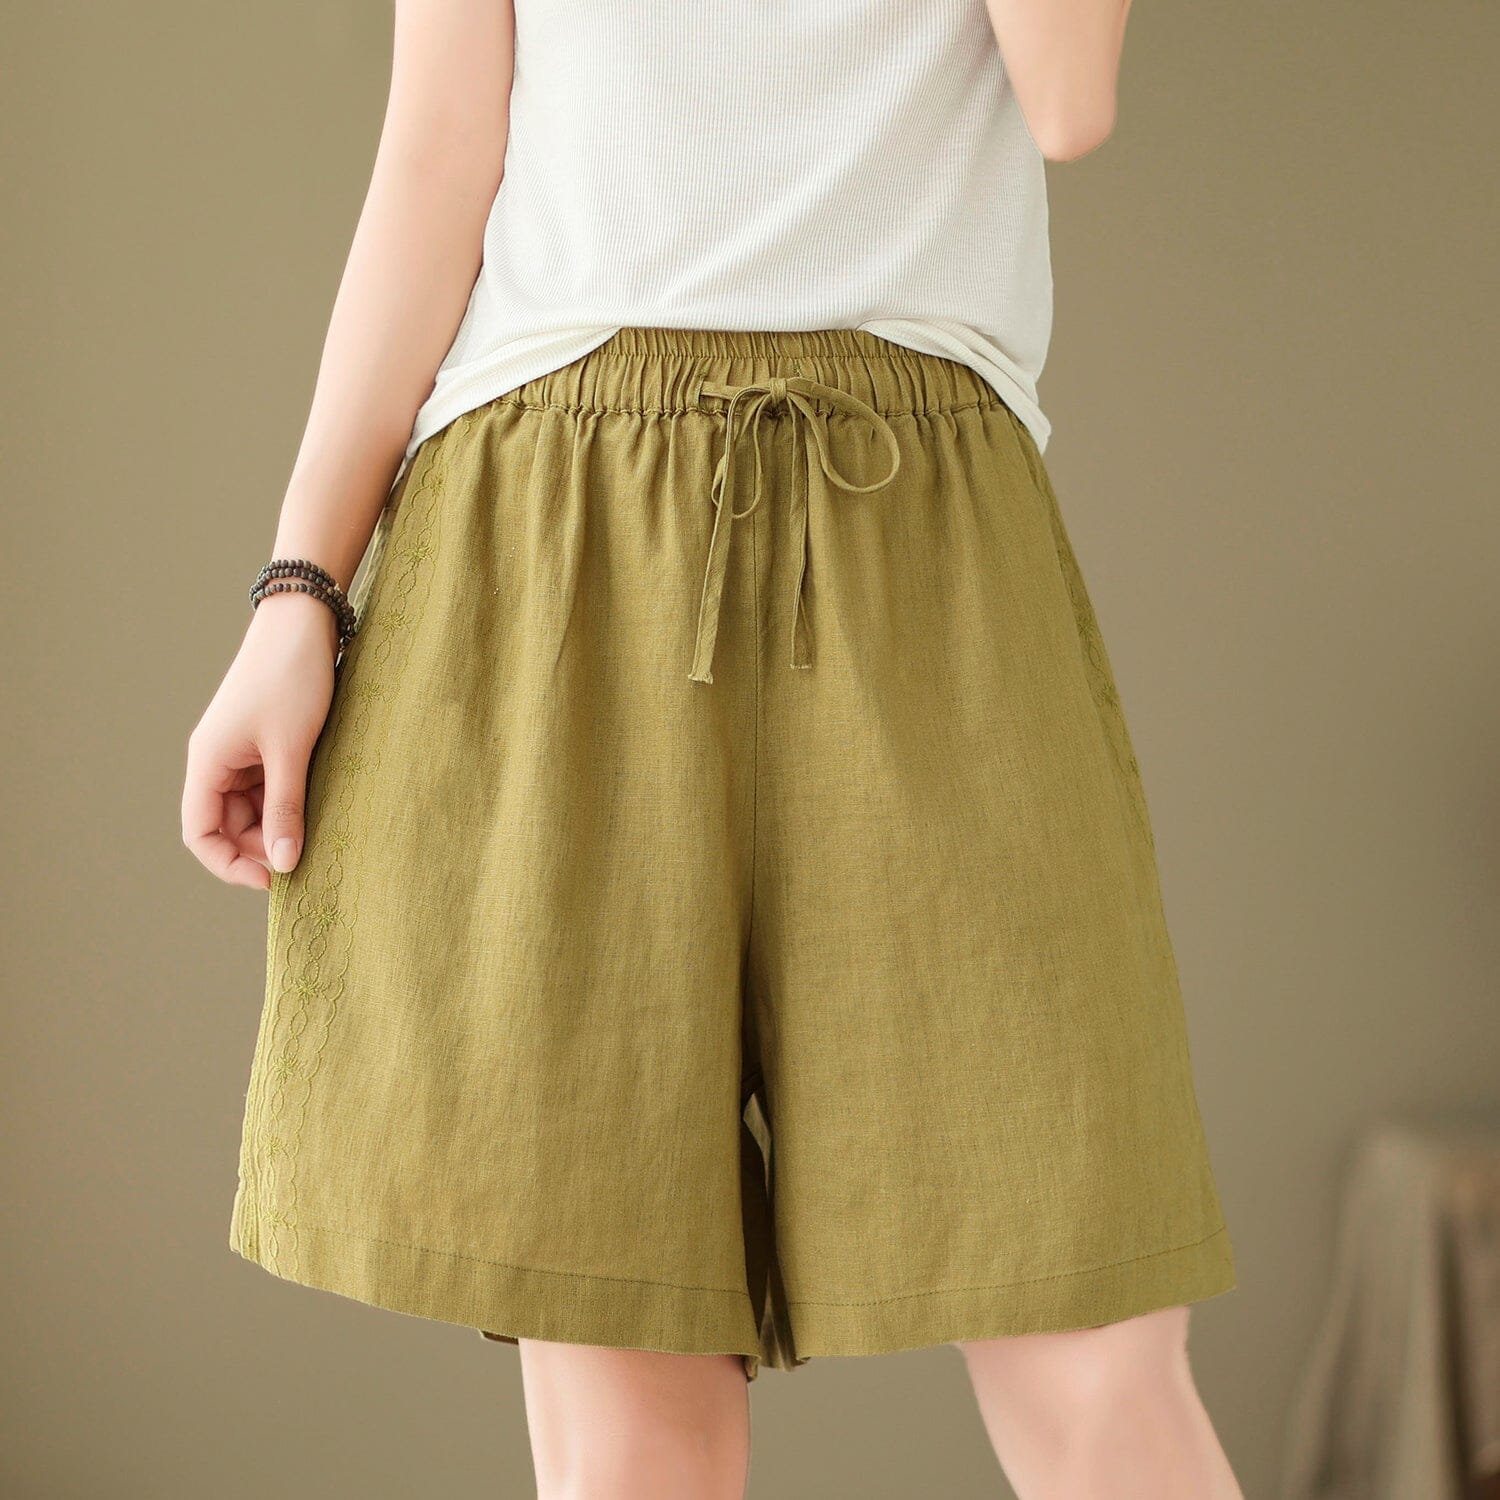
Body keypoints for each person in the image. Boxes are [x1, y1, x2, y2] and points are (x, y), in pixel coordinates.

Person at [182, 0, 1243, 1494]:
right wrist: (300, 589)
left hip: (927, 524)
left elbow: (1067, 99)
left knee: (1097, 1358)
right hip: (562, 526)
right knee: (631, 1427)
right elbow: (437, 152)